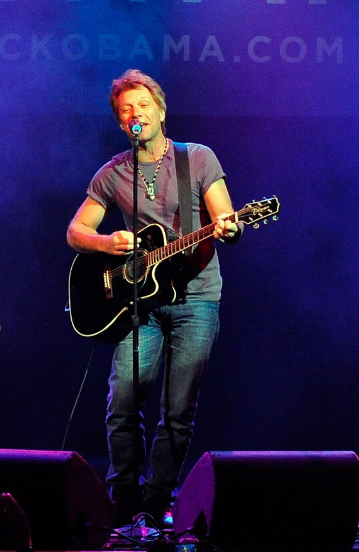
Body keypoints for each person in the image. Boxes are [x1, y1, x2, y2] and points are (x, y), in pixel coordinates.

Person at [66, 69, 241, 527]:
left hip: (197, 298)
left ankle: (157, 498)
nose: (134, 114)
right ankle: (122, 497)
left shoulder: (198, 159)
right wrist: (108, 245)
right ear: (121, 123)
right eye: (126, 110)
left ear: (160, 111)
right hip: (137, 304)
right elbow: (76, 231)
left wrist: (230, 226)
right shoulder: (113, 173)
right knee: (122, 400)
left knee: (177, 409)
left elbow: (225, 217)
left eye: (142, 105)